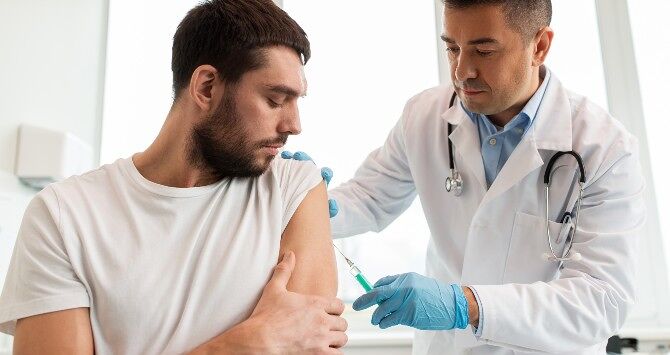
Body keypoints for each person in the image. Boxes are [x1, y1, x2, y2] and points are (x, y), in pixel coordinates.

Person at [284, 0, 645, 353]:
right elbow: (371, 198)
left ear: (539, 46)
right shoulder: (424, 115)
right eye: (452, 48)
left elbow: (602, 299)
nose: (461, 71)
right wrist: (309, 203)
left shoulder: (604, 149)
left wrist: (464, 305)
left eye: (483, 51)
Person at [0, 1, 348, 354]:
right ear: (207, 87)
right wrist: (249, 342)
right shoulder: (65, 216)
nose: (294, 125)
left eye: (297, 101)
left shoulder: (293, 190)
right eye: (275, 100)